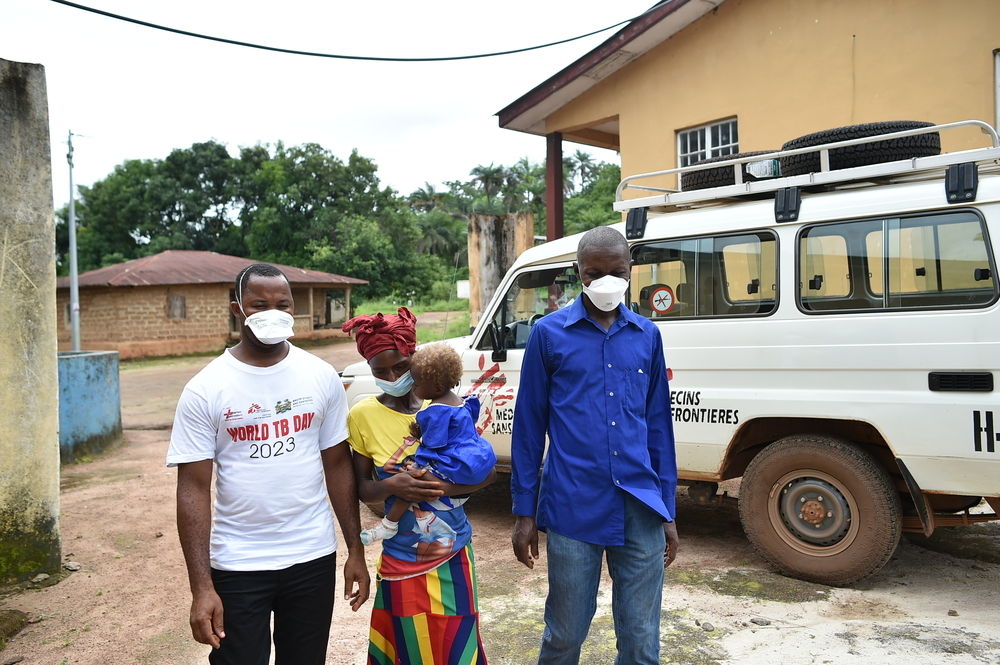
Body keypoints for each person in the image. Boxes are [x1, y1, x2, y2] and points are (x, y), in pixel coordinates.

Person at [167, 263, 370, 665]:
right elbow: (192, 487)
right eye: (259, 304)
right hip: (238, 563)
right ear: (237, 309)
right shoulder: (206, 388)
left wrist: (355, 549)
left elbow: (337, 465)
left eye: (283, 304)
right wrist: (201, 587)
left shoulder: (320, 376)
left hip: (311, 557)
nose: (272, 312)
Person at [510, 226, 680, 665]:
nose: (606, 280)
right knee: (565, 634)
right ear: (577, 273)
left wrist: (668, 510)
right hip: (573, 506)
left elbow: (658, 426)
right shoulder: (548, 335)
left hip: (640, 506)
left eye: (616, 271)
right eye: (594, 272)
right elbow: (529, 429)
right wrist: (524, 514)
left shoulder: (647, 336)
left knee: (642, 640)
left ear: (631, 271)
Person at [343, 308, 493, 665]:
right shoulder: (362, 416)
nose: (392, 376)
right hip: (399, 558)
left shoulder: (444, 404)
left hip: (452, 552)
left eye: (401, 366)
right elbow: (363, 488)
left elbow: (483, 472)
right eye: (380, 371)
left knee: (455, 642)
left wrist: (436, 488)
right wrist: (395, 485)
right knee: (406, 644)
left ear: (416, 359)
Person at [359, 343, 497, 545]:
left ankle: (389, 525)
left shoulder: (434, 411)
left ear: (437, 387)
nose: (412, 387)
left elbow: (433, 443)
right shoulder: (461, 401)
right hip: (472, 456)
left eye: (416, 383)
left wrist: (418, 462)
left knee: (414, 482)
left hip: (452, 461)